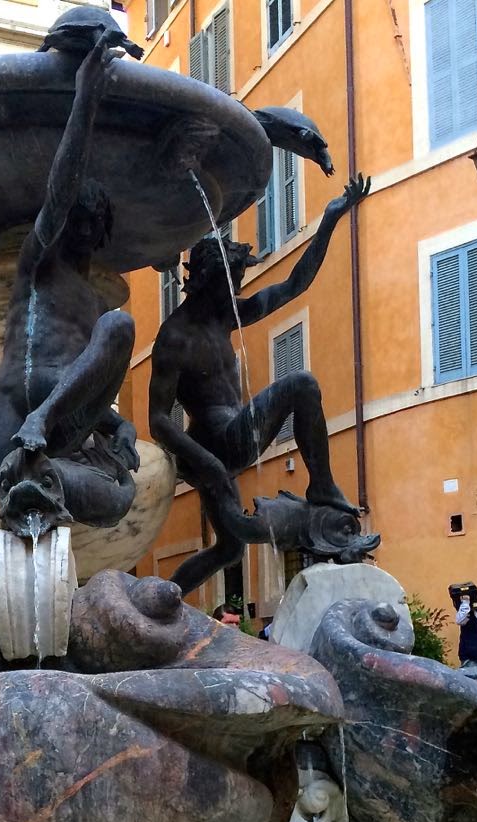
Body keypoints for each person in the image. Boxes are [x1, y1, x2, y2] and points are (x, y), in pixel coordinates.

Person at [0, 29, 138, 590]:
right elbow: (58, 188)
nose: (75, 220)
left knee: (119, 326)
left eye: (87, 215)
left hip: (57, 418)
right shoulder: (36, 264)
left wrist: (119, 422)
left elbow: (85, 370)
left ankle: (43, 430)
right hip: (10, 409)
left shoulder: (93, 298)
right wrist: (86, 98)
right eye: (71, 211)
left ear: (99, 227)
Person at [148, 175, 370, 596]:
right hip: (217, 446)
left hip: (230, 442)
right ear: (212, 280)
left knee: (230, 548)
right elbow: (158, 420)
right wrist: (209, 466)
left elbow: (293, 286)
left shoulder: (222, 316)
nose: (238, 290)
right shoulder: (175, 336)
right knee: (302, 384)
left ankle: (157, 601)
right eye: (232, 281)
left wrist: (328, 221)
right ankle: (321, 485)